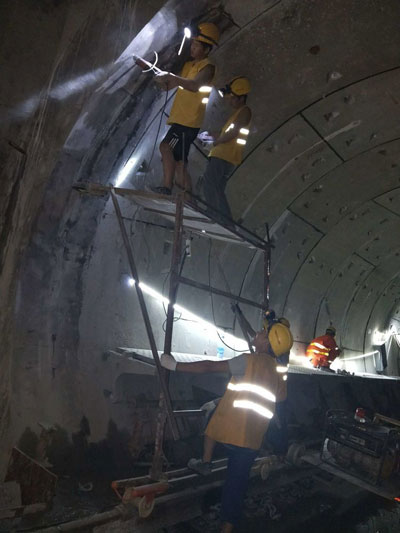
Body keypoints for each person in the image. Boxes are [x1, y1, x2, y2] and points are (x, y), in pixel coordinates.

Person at [160, 320, 293, 533]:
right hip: (253, 439)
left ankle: (205, 462)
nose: (258, 332)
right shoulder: (277, 371)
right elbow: (280, 397)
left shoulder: (247, 361)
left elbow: (209, 367)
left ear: (267, 342)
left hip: (230, 430)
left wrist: (174, 365)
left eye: (263, 332)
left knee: (212, 411)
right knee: (235, 486)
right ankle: (226, 529)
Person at [152, 23, 219, 196]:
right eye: (193, 44)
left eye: (197, 45)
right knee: (180, 162)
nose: (192, 47)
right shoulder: (188, 66)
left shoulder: (207, 67)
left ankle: (166, 188)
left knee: (165, 147)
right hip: (181, 118)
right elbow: (171, 85)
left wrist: (172, 77)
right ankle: (190, 200)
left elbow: (195, 85)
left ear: (207, 49)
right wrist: (160, 79)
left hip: (188, 121)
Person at [201, 77, 251, 221]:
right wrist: (209, 135)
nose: (230, 101)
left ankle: (213, 213)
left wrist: (216, 142)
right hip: (227, 156)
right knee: (218, 188)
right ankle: (226, 220)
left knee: (209, 182)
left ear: (242, 98)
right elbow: (226, 132)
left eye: (233, 98)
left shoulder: (245, 112)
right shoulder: (236, 115)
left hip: (224, 155)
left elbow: (233, 133)